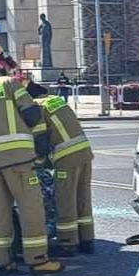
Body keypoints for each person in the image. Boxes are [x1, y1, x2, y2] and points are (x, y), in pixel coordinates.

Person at [0, 47, 64, 276]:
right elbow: (32, 114)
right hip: (18, 159)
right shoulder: (8, 83)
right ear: (0, 65)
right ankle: (37, 260)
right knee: (31, 208)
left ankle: (2, 260)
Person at [28, 81, 96, 255]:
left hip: (67, 157)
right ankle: (87, 240)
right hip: (84, 153)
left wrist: (37, 163)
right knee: (82, 198)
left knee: (65, 200)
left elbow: (41, 141)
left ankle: (68, 242)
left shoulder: (37, 107)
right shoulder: (55, 100)